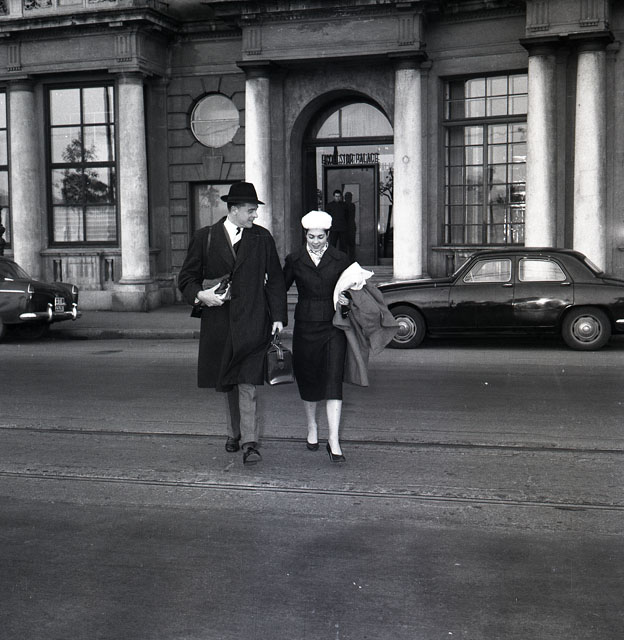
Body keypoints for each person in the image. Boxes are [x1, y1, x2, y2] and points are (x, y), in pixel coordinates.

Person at [178, 182, 287, 465]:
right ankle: (233, 433)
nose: (255, 215)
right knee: (228, 382)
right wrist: (201, 295)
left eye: (255, 211)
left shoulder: (262, 238)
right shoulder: (205, 237)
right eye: (251, 210)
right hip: (220, 323)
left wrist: (278, 317)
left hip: (253, 320)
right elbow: (186, 279)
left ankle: (250, 443)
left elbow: (275, 279)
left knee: (248, 382)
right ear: (234, 209)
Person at [283, 210, 352, 462]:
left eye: (320, 237)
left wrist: (347, 300)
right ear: (305, 234)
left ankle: (334, 440)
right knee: (309, 377)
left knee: (333, 379)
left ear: (328, 235)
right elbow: (279, 288)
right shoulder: (294, 259)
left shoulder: (341, 259)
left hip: (334, 326)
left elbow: (354, 288)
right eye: (311, 236)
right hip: (305, 325)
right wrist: (276, 318)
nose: (315, 241)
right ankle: (312, 426)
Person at [343, 191, 356, 261]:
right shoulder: (344, 205)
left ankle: (351, 260)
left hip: (350, 227)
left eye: (349, 197)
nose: (349, 198)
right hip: (346, 227)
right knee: (345, 245)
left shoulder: (352, 205)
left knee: (351, 245)